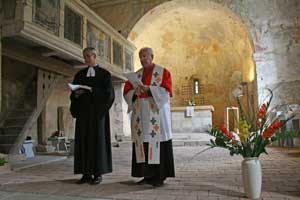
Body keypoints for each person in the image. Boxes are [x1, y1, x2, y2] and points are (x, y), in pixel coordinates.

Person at [123, 47, 175, 187]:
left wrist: (150, 89)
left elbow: (166, 91)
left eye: (145, 56)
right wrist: (135, 91)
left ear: (152, 56)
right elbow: (127, 91)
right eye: (140, 57)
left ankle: (159, 176)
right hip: (140, 115)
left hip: (156, 115)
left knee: (158, 143)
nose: (143, 59)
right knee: (143, 143)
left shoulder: (163, 72)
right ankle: (147, 175)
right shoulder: (136, 75)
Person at [69, 47, 115, 185]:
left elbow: (109, 95)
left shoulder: (105, 74)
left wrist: (92, 90)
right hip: (83, 115)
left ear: (95, 56)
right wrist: (75, 94)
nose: (87, 59)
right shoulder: (79, 74)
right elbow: (73, 93)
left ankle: (98, 174)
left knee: (97, 143)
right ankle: (86, 174)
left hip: (97, 115)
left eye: (89, 56)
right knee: (83, 143)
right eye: (85, 56)